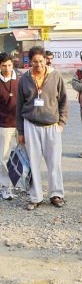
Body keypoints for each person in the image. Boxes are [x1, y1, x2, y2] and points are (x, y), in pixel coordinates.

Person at [16, 46, 68, 210]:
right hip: (31, 125)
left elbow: (64, 101)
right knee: (33, 163)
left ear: (46, 60)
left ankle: (56, 194)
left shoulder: (55, 76)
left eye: (41, 60)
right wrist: (21, 131)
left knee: (54, 162)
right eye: (34, 61)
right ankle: (35, 197)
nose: (38, 64)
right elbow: (19, 106)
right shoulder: (24, 79)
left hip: (52, 126)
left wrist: (61, 123)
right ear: (29, 62)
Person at [0, 53, 19, 200]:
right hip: (4, 125)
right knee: (4, 157)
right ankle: (5, 187)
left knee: (23, 156)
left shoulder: (21, 79)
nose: (7, 68)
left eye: (9, 65)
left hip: (21, 124)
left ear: (13, 64)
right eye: (3, 65)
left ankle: (24, 184)